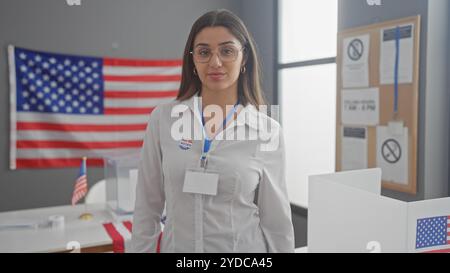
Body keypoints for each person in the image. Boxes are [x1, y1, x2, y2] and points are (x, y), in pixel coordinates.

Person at [130, 9, 295, 253]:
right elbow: (147, 208)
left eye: (227, 50)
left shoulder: (267, 130)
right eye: (204, 52)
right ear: (193, 60)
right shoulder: (163, 119)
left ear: (244, 57)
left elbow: (276, 223)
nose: (215, 62)